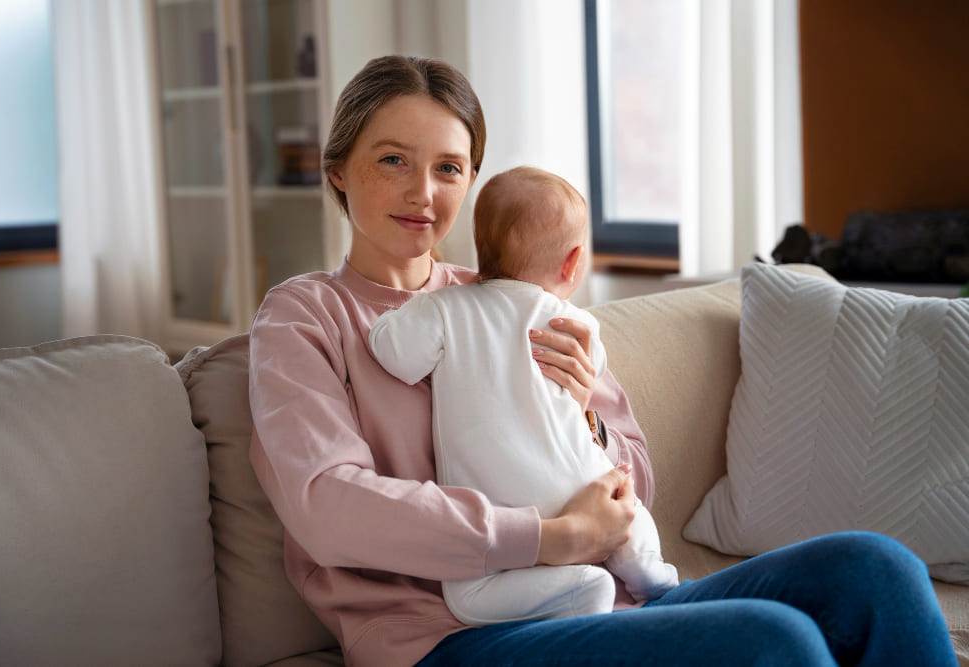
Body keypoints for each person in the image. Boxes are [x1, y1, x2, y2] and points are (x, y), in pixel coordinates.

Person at [248, 55, 958, 667]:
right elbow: (330, 504)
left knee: (878, 566)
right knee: (772, 639)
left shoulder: (513, 294)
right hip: (448, 637)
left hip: (606, 595)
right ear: (338, 169)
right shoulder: (305, 315)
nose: (423, 192)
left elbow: (635, 485)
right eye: (393, 159)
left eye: (449, 167)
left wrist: (587, 416)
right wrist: (550, 538)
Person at [367, 166, 678, 626]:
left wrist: (387, 322)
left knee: (489, 593)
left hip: (497, 544)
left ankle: (588, 593)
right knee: (628, 513)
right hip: (589, 502)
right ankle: (650, 573)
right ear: (571, 263)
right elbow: (630, 463)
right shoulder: (578, 327)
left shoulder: (444, 308)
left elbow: (396, 357)